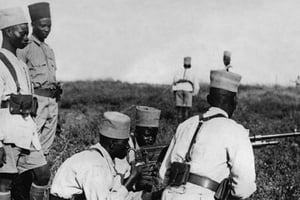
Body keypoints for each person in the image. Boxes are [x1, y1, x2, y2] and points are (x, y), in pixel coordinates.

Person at [159, 68, 256, 200]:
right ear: (234, 101)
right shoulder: (236, 131)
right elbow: (243, 188)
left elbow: (163, 173)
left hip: (169, 195)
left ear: (209, 99)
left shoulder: (185, 125)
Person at [0, 7, 50, 200]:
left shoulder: (20, 63)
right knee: (4, 181)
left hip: (27, 132)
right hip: (8, 133)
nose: (27, 37)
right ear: (7, 31)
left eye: (27, 32)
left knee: (43, 172)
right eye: (22, 32)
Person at [50, 111, 152, 200]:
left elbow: (116, 195)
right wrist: (133, 177)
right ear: (112, 144)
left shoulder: (107, 161)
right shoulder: (94, 164)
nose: (128, 147)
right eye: (125, 143)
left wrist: (151, 195)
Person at [17, 2, 62, 156]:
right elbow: (18, 77)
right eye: (43, 26)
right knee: (29, 145)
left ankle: (39, 180)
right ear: (33, 25)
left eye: (49, 26)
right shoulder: (24, 47)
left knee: (45, 149)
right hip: (36, 103)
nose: (47, 29)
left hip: (52, 103)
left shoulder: (49, 49)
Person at [114, 106, 162, 192]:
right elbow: (118, 180)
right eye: (147, 135)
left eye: (154, 135)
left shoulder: (149, 147)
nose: (150, 139)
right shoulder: (125, 147)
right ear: (136, 132)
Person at [172, 57, 199, 123]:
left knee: (179, 108)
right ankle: (185, 123)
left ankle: (179, 123)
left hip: (179, 89)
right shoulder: (193, 72)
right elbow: (196, 85)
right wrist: (194, 93)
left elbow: (174, 82)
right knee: (187, 108)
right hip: (188, 90)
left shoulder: (178, 71)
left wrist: (174, 91)